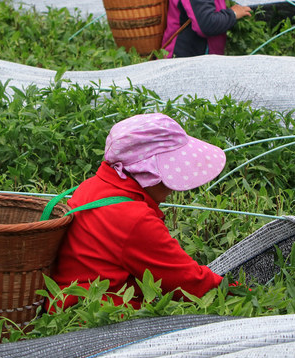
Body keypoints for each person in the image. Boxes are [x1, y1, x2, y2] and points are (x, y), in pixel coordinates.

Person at [51, 113, 227, 308]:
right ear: (147, 172)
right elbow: (190, 284)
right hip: (96, 316)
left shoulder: (92, 186)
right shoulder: (133, 218)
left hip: (67, 303)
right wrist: (242, 291)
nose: (172, 189)